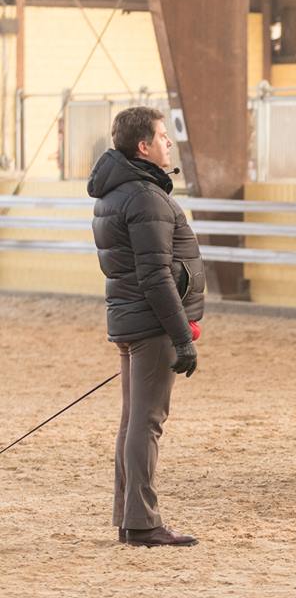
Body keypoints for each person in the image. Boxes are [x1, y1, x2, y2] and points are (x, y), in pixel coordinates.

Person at [87, 106, 205, 546]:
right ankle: (142, 522)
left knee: (133, 420)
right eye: (162, 136)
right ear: (143, 146)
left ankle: (130, 517)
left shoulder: (118, 192)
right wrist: (182, 338)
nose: (168, 142)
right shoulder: (145, 197)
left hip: (132, 319)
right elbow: (155, 276)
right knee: (147, 422)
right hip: (153, 325)